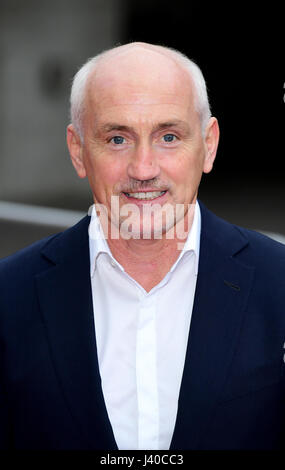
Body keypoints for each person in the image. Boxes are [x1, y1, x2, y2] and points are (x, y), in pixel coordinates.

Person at [0, 42, 284, 451]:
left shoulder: (280, 284)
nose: (144, 168)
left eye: (169, 136)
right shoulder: (9, 297)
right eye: (117, 139)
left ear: (209, 145)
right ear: (78, 152)